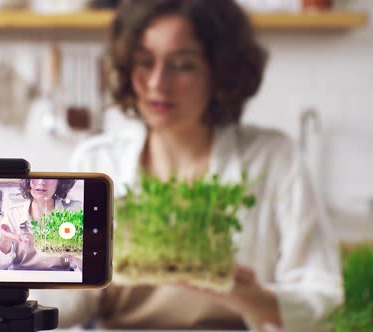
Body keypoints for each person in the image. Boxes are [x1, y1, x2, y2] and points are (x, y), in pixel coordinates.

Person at [35, 0, 343, 331]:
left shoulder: (274, 158)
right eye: (144, 62)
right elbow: (73, 294)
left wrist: (249, 297)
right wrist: (23, 301)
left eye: (182, 65)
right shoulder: (95, 162)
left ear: (220, 71)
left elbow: (322, 297)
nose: (157, 83)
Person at [0, 179, 83, 271]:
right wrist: (3, 240)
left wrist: (77, 254)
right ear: (28, 181)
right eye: (35, 177)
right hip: (21, 281)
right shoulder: (13, 214)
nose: (41, 182)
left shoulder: (74, 211)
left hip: (61, 282)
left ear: (59, 182)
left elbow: (90, 266)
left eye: (49, 177)